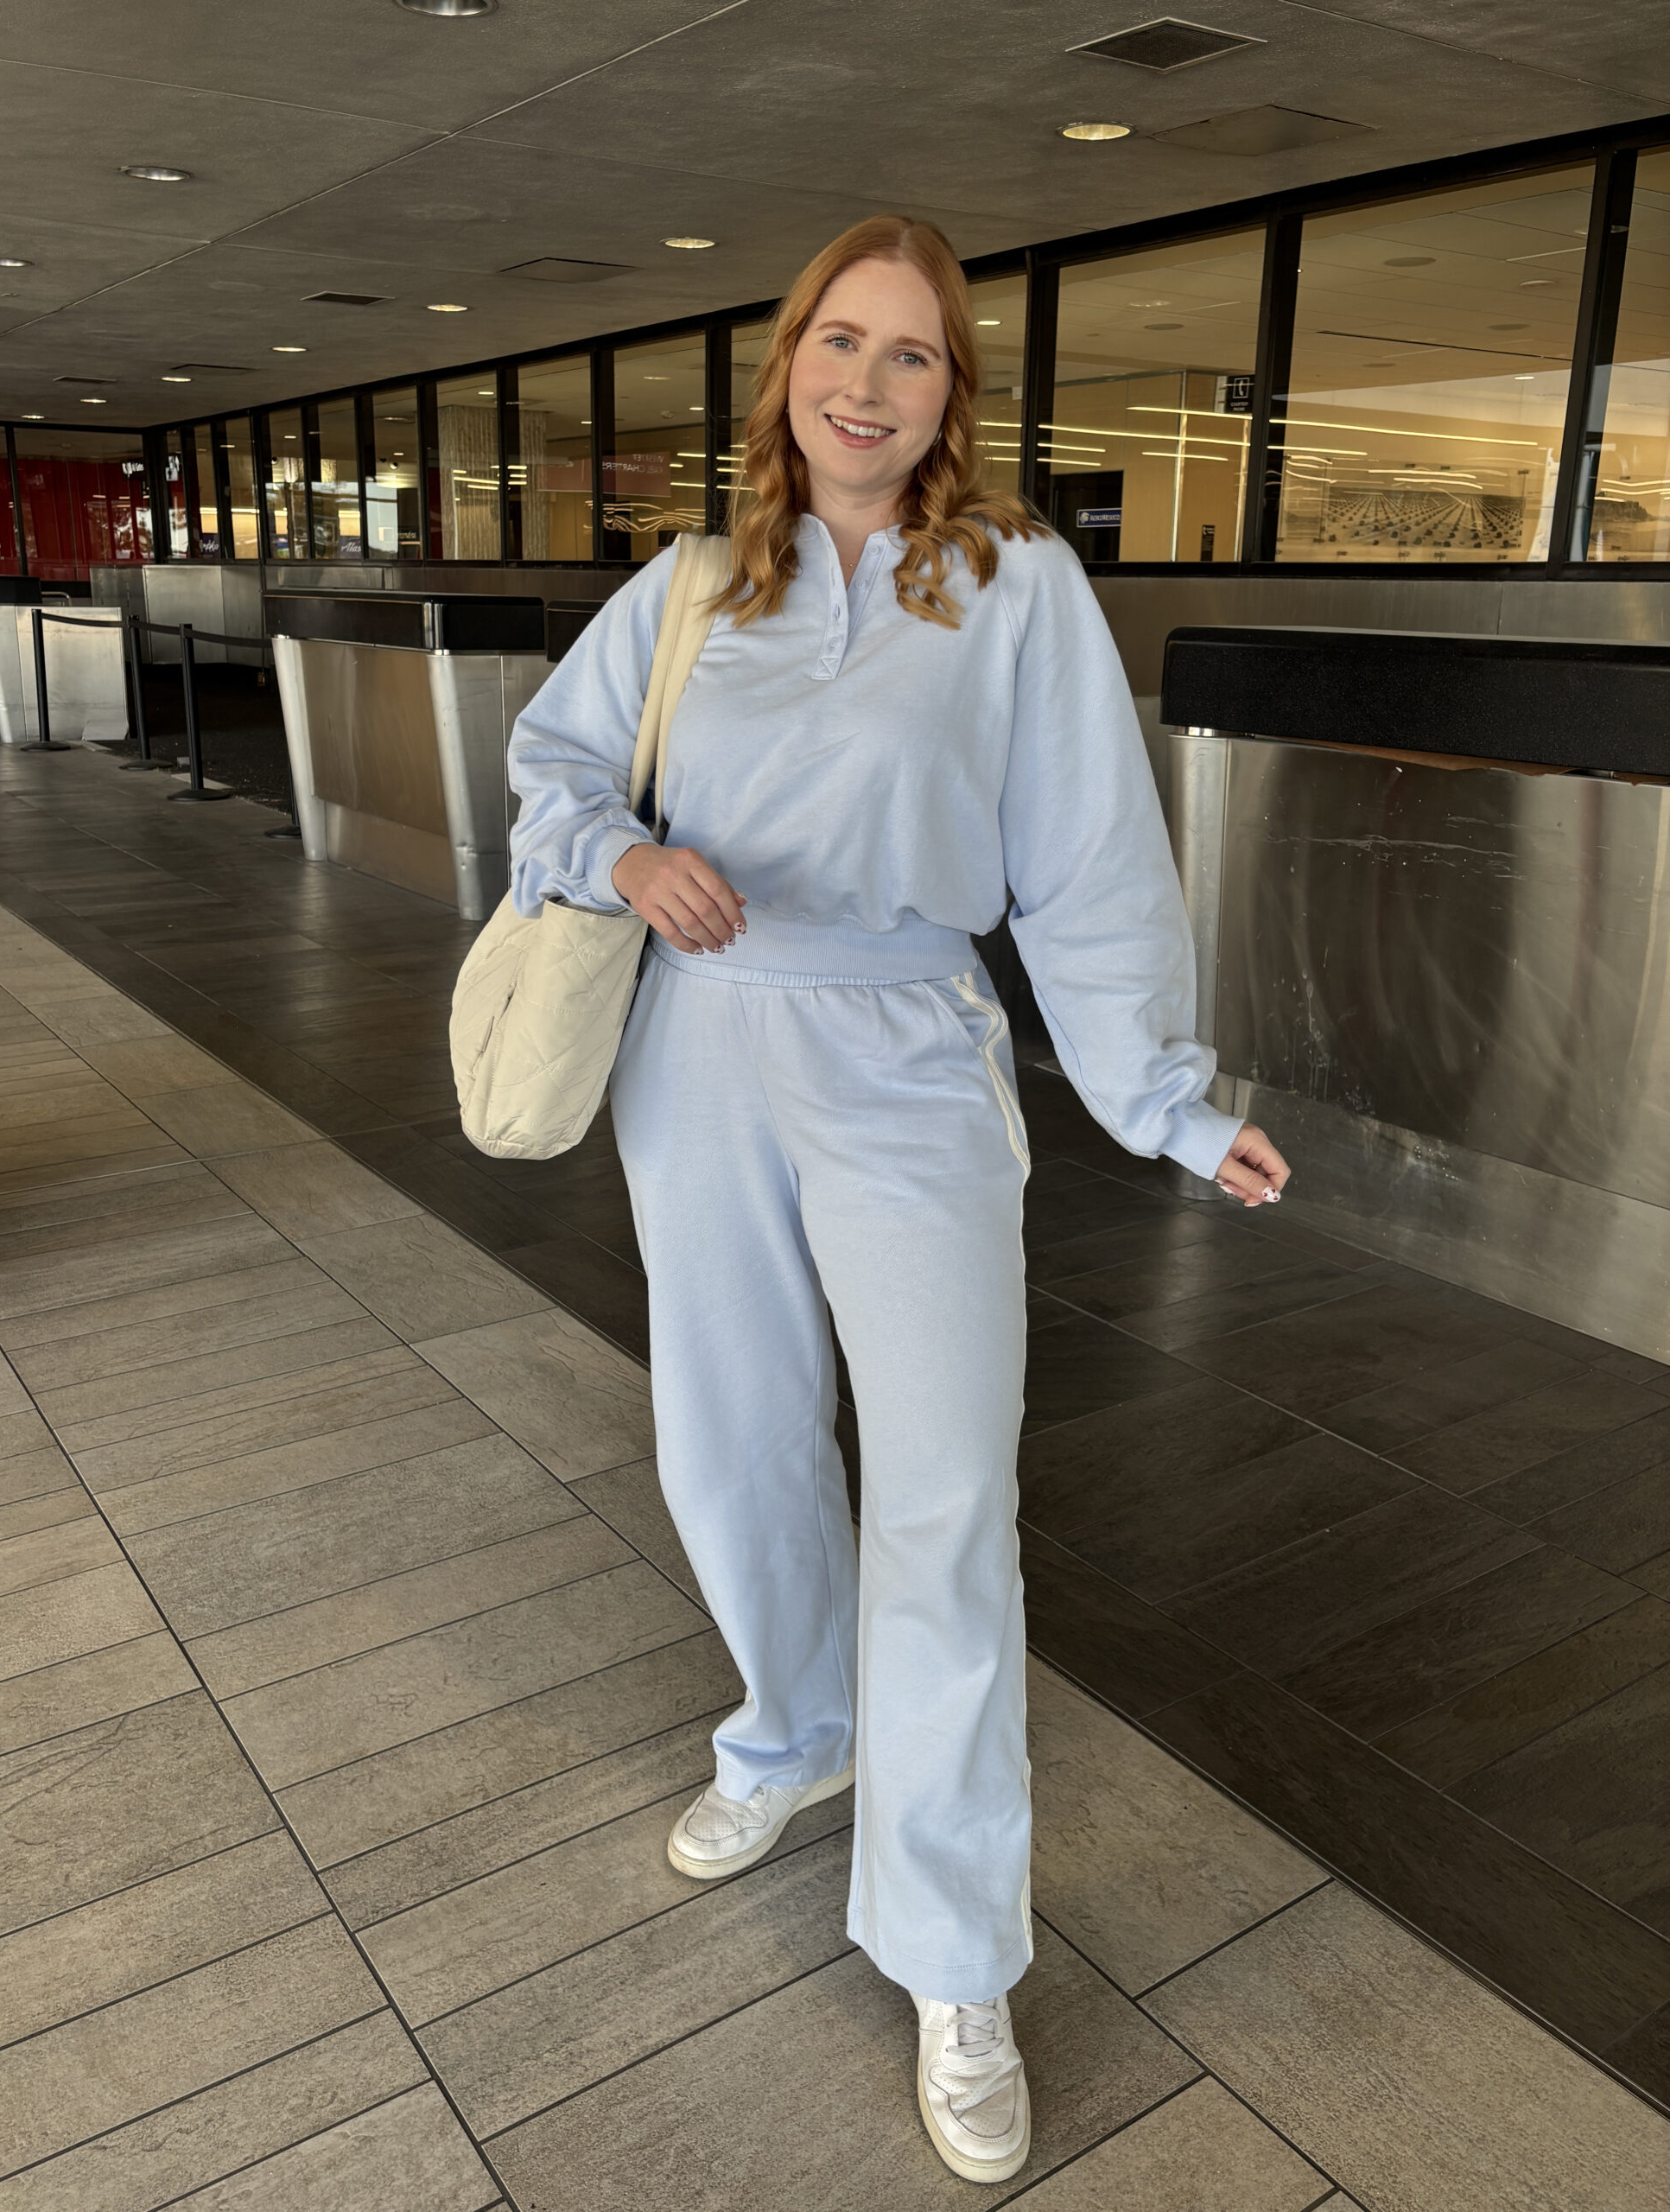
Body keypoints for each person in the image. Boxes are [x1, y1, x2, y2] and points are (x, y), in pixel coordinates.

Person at [505, 213, 1291, 2185]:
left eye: (913, 355)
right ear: (787, 367)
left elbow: (1090, 857)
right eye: (838, 343)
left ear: (955, 396)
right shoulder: (691, 582)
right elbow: (553, 766)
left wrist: (1167, 1103)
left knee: (945, 1494)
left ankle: (952, 1948)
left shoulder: (1010, 585)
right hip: (703, 1047)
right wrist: (617, 856)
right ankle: (792, 1735)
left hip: (909, 1051)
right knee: (732, 1441)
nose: (866, 381)